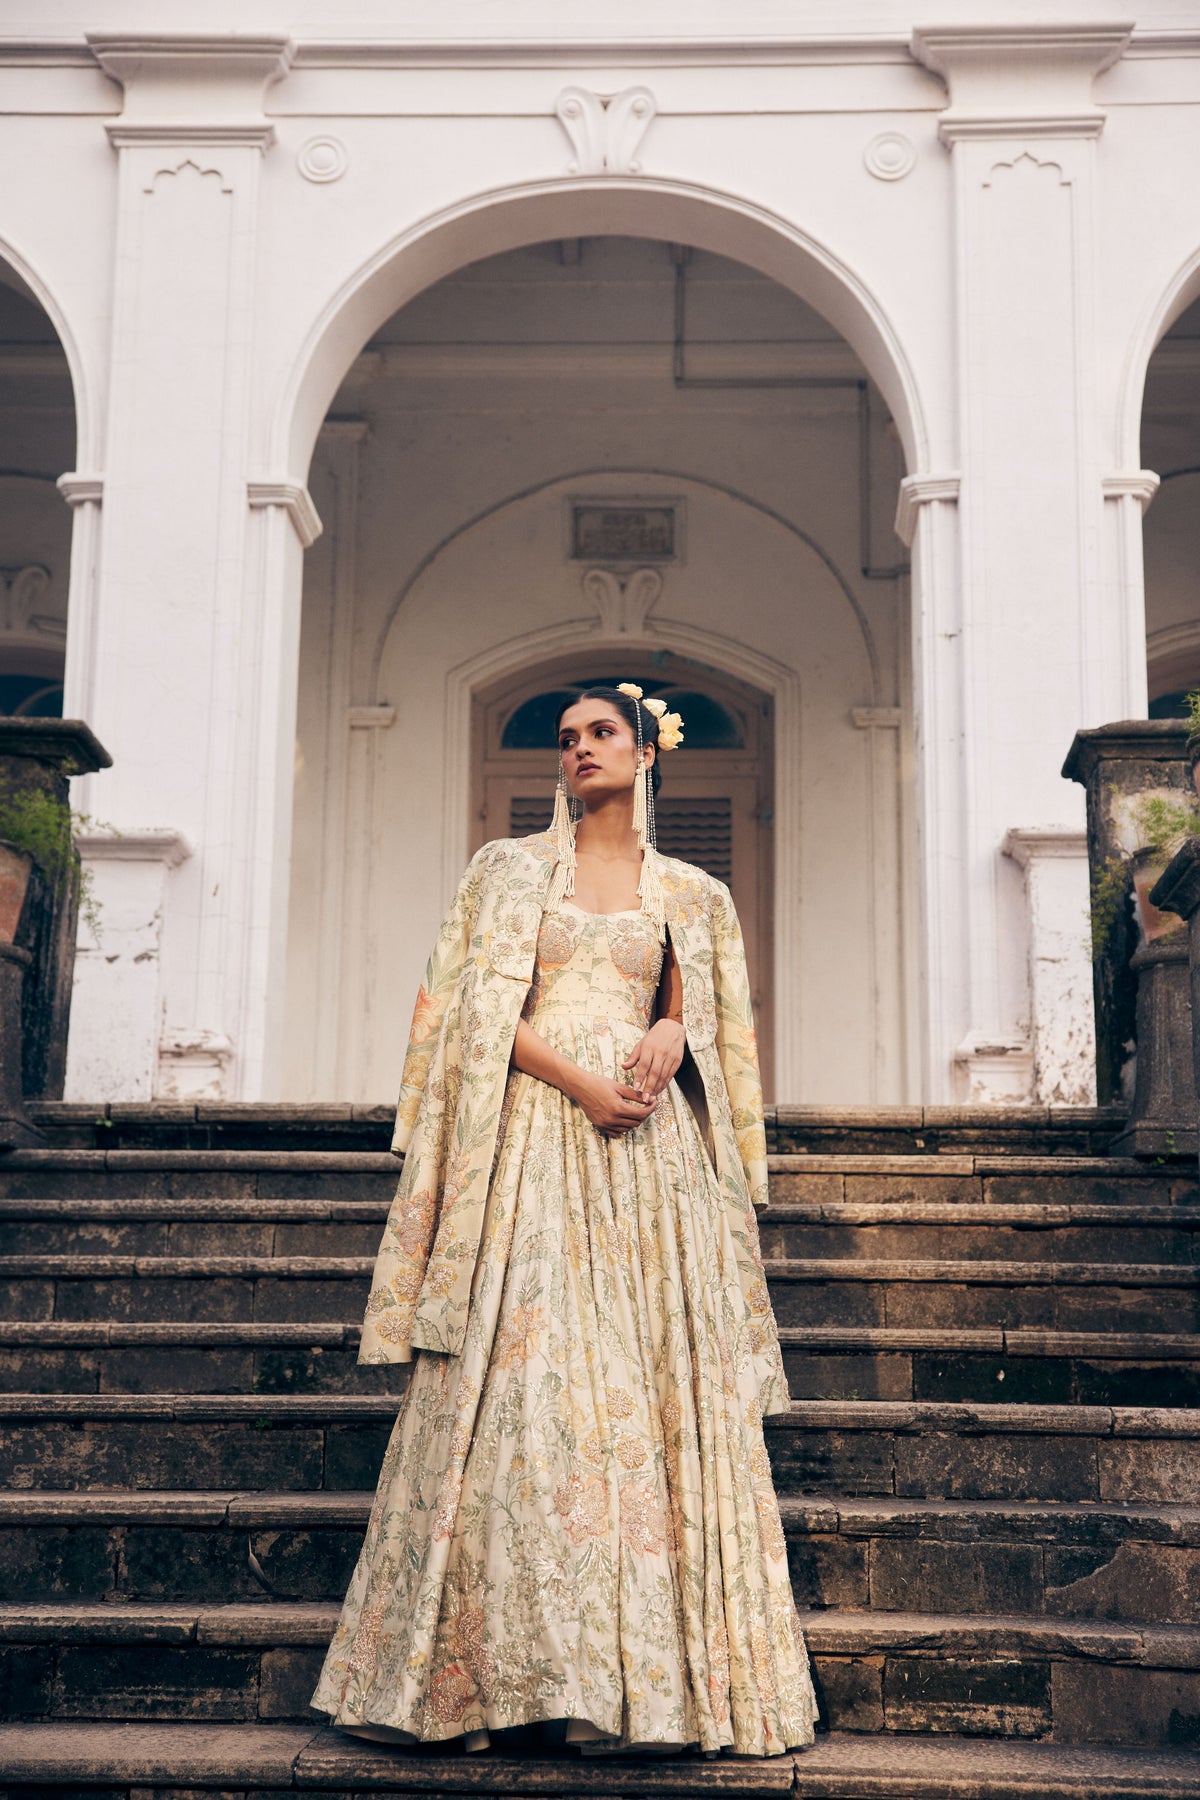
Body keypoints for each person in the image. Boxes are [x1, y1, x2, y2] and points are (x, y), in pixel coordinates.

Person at [309, 681, 817, 1757]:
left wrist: (672, 1032)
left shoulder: (694, 892)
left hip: (651, 1171)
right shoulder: (507, 872)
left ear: (645, 753)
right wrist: (583, 1085)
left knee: (642, 1399)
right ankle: (489, 1683)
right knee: (528, 1399)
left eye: (601, 734)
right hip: (540, 1141)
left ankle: (640, 1693)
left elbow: (695, 1009)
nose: (579, 750)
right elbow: (479, 1014)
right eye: (568, 738)